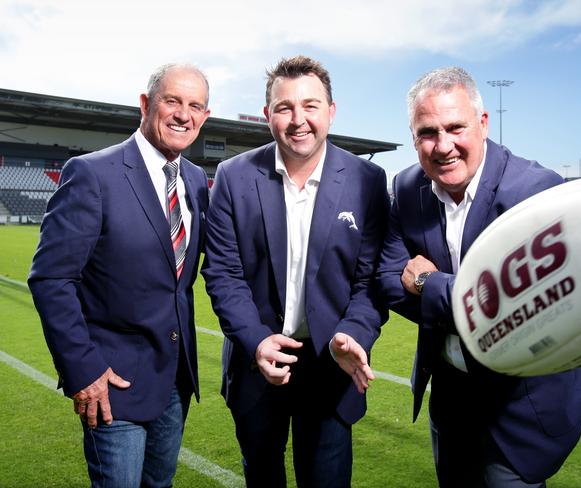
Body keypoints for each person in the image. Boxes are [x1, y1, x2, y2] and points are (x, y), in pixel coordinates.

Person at [377, 66, 581, 487]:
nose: (443, 146)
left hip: (519, 405)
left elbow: (527, 309)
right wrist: (478, 300)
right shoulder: (406, 187)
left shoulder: (536, 191)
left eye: (455, 127)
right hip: (450, 397)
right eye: (427, 133)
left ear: (483, 123)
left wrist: (428, 284)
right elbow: (386, 277)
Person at [201, 55, 389, 487]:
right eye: (284, 108)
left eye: (310, 106)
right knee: (262, 477)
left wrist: (354, 334)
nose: (298, 120)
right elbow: (224, 274)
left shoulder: (368, 180)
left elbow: (370, 281)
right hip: (257, 362)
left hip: (331, 364)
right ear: (268, 115)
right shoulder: (233, 176)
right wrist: (255, 340)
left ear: (331, 112)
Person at [28, 63, 211, 487]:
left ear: (204, 117)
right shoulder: (92, 173)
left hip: (175, 381)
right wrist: (83, 369)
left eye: (195, 105)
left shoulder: (198, 181)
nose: (183, 114)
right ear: (146, 104)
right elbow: (52, 279)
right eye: (172, 101)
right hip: (112, 382)